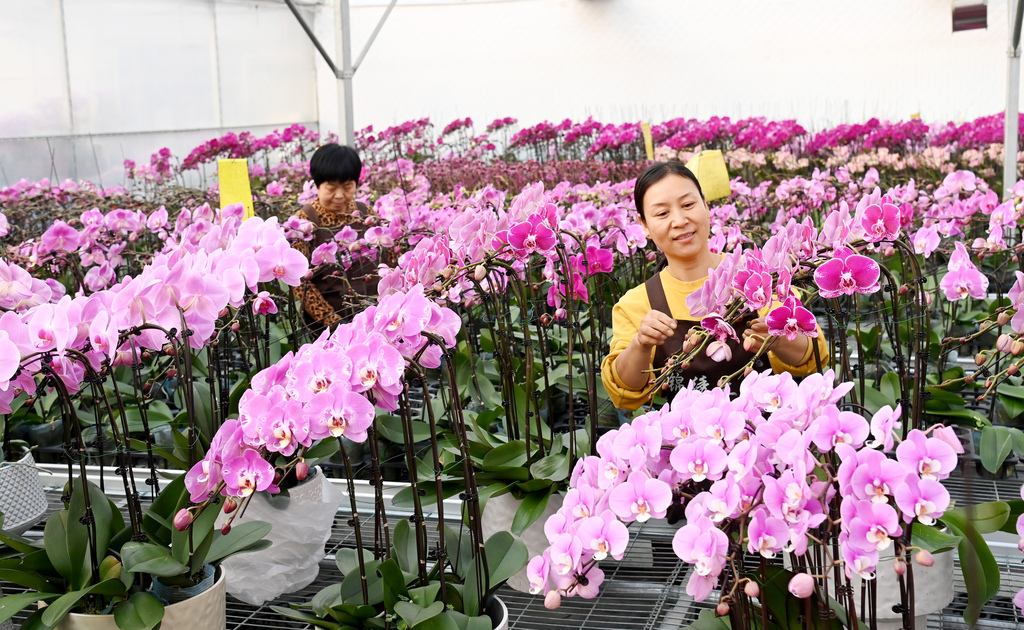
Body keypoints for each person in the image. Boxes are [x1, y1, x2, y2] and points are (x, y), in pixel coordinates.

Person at [600, 161, 828, 412]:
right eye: (662, 213)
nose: (679, 220)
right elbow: (626, 393)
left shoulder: (758, 278)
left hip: (761, 438)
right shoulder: (636, 304)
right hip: (685, 445)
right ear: (644, 225)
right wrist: (640, 345)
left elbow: (811, 358)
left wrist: (779, 340)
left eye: (688, 205)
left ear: (706, 207)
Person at [291, 144, 378, 335]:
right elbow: (300, 282)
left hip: (374, 316)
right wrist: (333, 322)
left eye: (347, 187)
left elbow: (386, 258)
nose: (339, 195)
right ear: (316, 185)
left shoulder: (365, 213)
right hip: (329, 326)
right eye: (331, 188)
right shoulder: (304, 222)